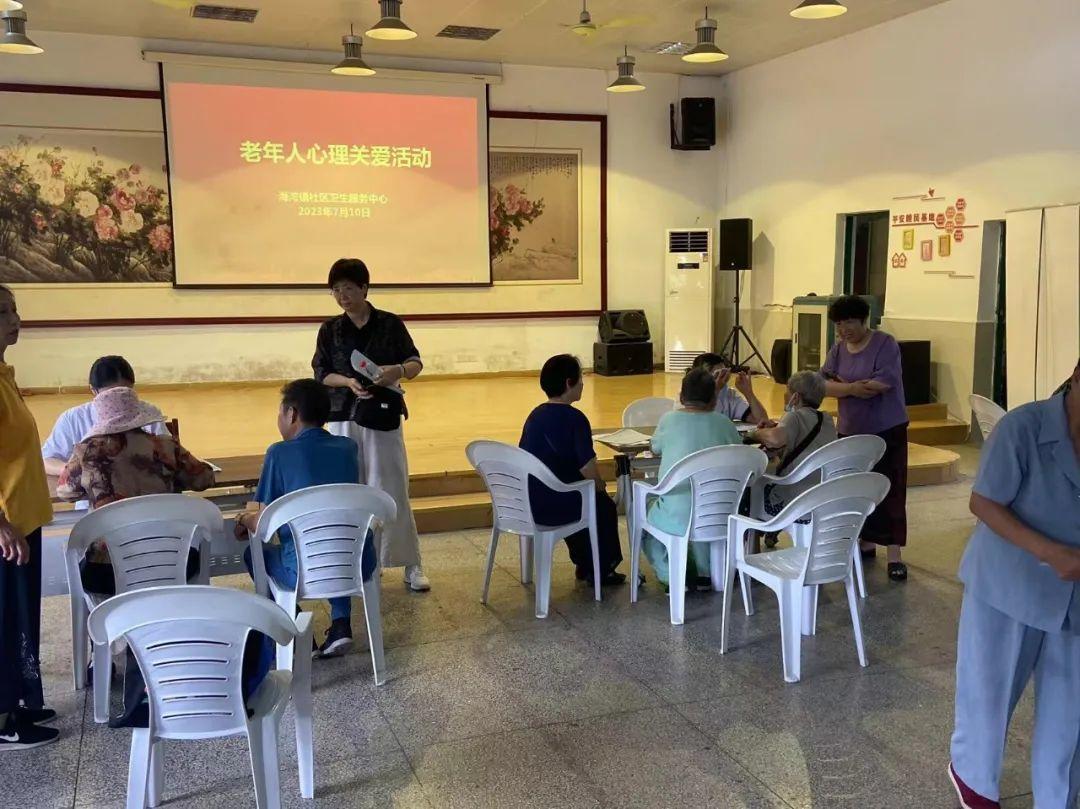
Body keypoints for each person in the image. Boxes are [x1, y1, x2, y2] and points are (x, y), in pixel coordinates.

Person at [948, 360, 1080, 809]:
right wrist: (1050, 552)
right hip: (1007, 586)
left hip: (1074, 597)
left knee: (1069, 715)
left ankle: (1057, 800)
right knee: (990, 695)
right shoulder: (1024, 427)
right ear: (1077, 377)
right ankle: (974, 782)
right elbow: (983, 503)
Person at [56, 384, 215, 727]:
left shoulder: (87, 451)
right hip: (169, 562)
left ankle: (120, 656)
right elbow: (204, 478)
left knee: (90, 567)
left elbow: (65, 490)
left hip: (110, 571)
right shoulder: (165, 446)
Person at [234, 379, 377, 661]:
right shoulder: (348, 447)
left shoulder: (278, 453)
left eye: (280, 412)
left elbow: (261, 518)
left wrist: (242, 519)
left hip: (302, 569)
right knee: (334, 536)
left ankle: (299, 632)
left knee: (254, 554)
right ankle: (341, 623)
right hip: (357, 563)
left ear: (292, 414)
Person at [312, 258, 428, 592]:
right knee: (352, 489)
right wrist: (347, 382)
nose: (342, 296)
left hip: (382, 415)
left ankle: (410, 563)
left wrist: (398, 371)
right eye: (336, 290)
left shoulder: (390, 323)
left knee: (390, 487)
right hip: (343, 417)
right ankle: (364, 563)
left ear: (364, 288)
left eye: (348, 288)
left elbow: (415, 362)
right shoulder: (329, 330)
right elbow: (320, 372)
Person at [0, 285, 59, 751]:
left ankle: (20, 699)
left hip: (24, 517)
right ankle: (4, 719)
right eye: (3, 312)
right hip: (7, 527)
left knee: (21, 617)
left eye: (14, 309)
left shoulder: (4, 374)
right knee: (4, 620)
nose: (15, 318)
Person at [821, 295, 909, 581]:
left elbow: (880, 384)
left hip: (886, 428)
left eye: (849, 322)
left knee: (890, 488)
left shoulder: (885, 344)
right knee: (856, 489)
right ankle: (866, 542)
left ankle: (894, 554)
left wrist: (843, 387)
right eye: (838, 324)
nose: (843, 330)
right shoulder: (837, 350)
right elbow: (821, 383)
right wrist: (850, 389)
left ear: (863, 320)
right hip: (850, 428)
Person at [519, 354, 625, 585]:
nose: (583, 384)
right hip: (558, 503)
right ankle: (601, 568)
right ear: (569, 383)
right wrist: (601, 486)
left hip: (530, 500)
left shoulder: (535, 416)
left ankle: (584, 563)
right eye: (581, 378)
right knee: (602, 504)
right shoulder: (575, 419)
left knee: (584, 497)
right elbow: (587, 467)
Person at [642, 368, 742, 588]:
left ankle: (670, 576)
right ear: (714, 399)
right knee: (702, 509)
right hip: (718, 511)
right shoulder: (725, 423)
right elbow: (739, 449)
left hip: (677, 514)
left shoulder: (669, 420)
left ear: (680, 397)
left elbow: (654, 447)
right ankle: (705, 574)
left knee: (645, 513)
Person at [40, 355, 167, 477]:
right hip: (92, 489)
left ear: (133, 388)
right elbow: (46, 460)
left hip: (143, 488)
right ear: (93, 391)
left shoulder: (149, 413)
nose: (118, 402)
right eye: (109, 396)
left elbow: (168, 455)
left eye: (125, 393)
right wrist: (76, 471)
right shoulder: (73, 418)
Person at [754, 370, 838, 516]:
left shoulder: (794, 416)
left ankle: (755, 526)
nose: (785, 395)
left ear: (795, 397)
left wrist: (755, 433)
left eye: (787, 391)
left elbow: (774, 439)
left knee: (754, 484)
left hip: (796, 494)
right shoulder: (827, 419)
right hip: (822, 492)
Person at [689, 352, 768, 425]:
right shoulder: (689, 394)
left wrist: (748, 393)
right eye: (718, 374)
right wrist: (715, 390)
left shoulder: (728, 394)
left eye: (725, 373)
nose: (723, 379)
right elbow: (700, 424)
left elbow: (762, 420)